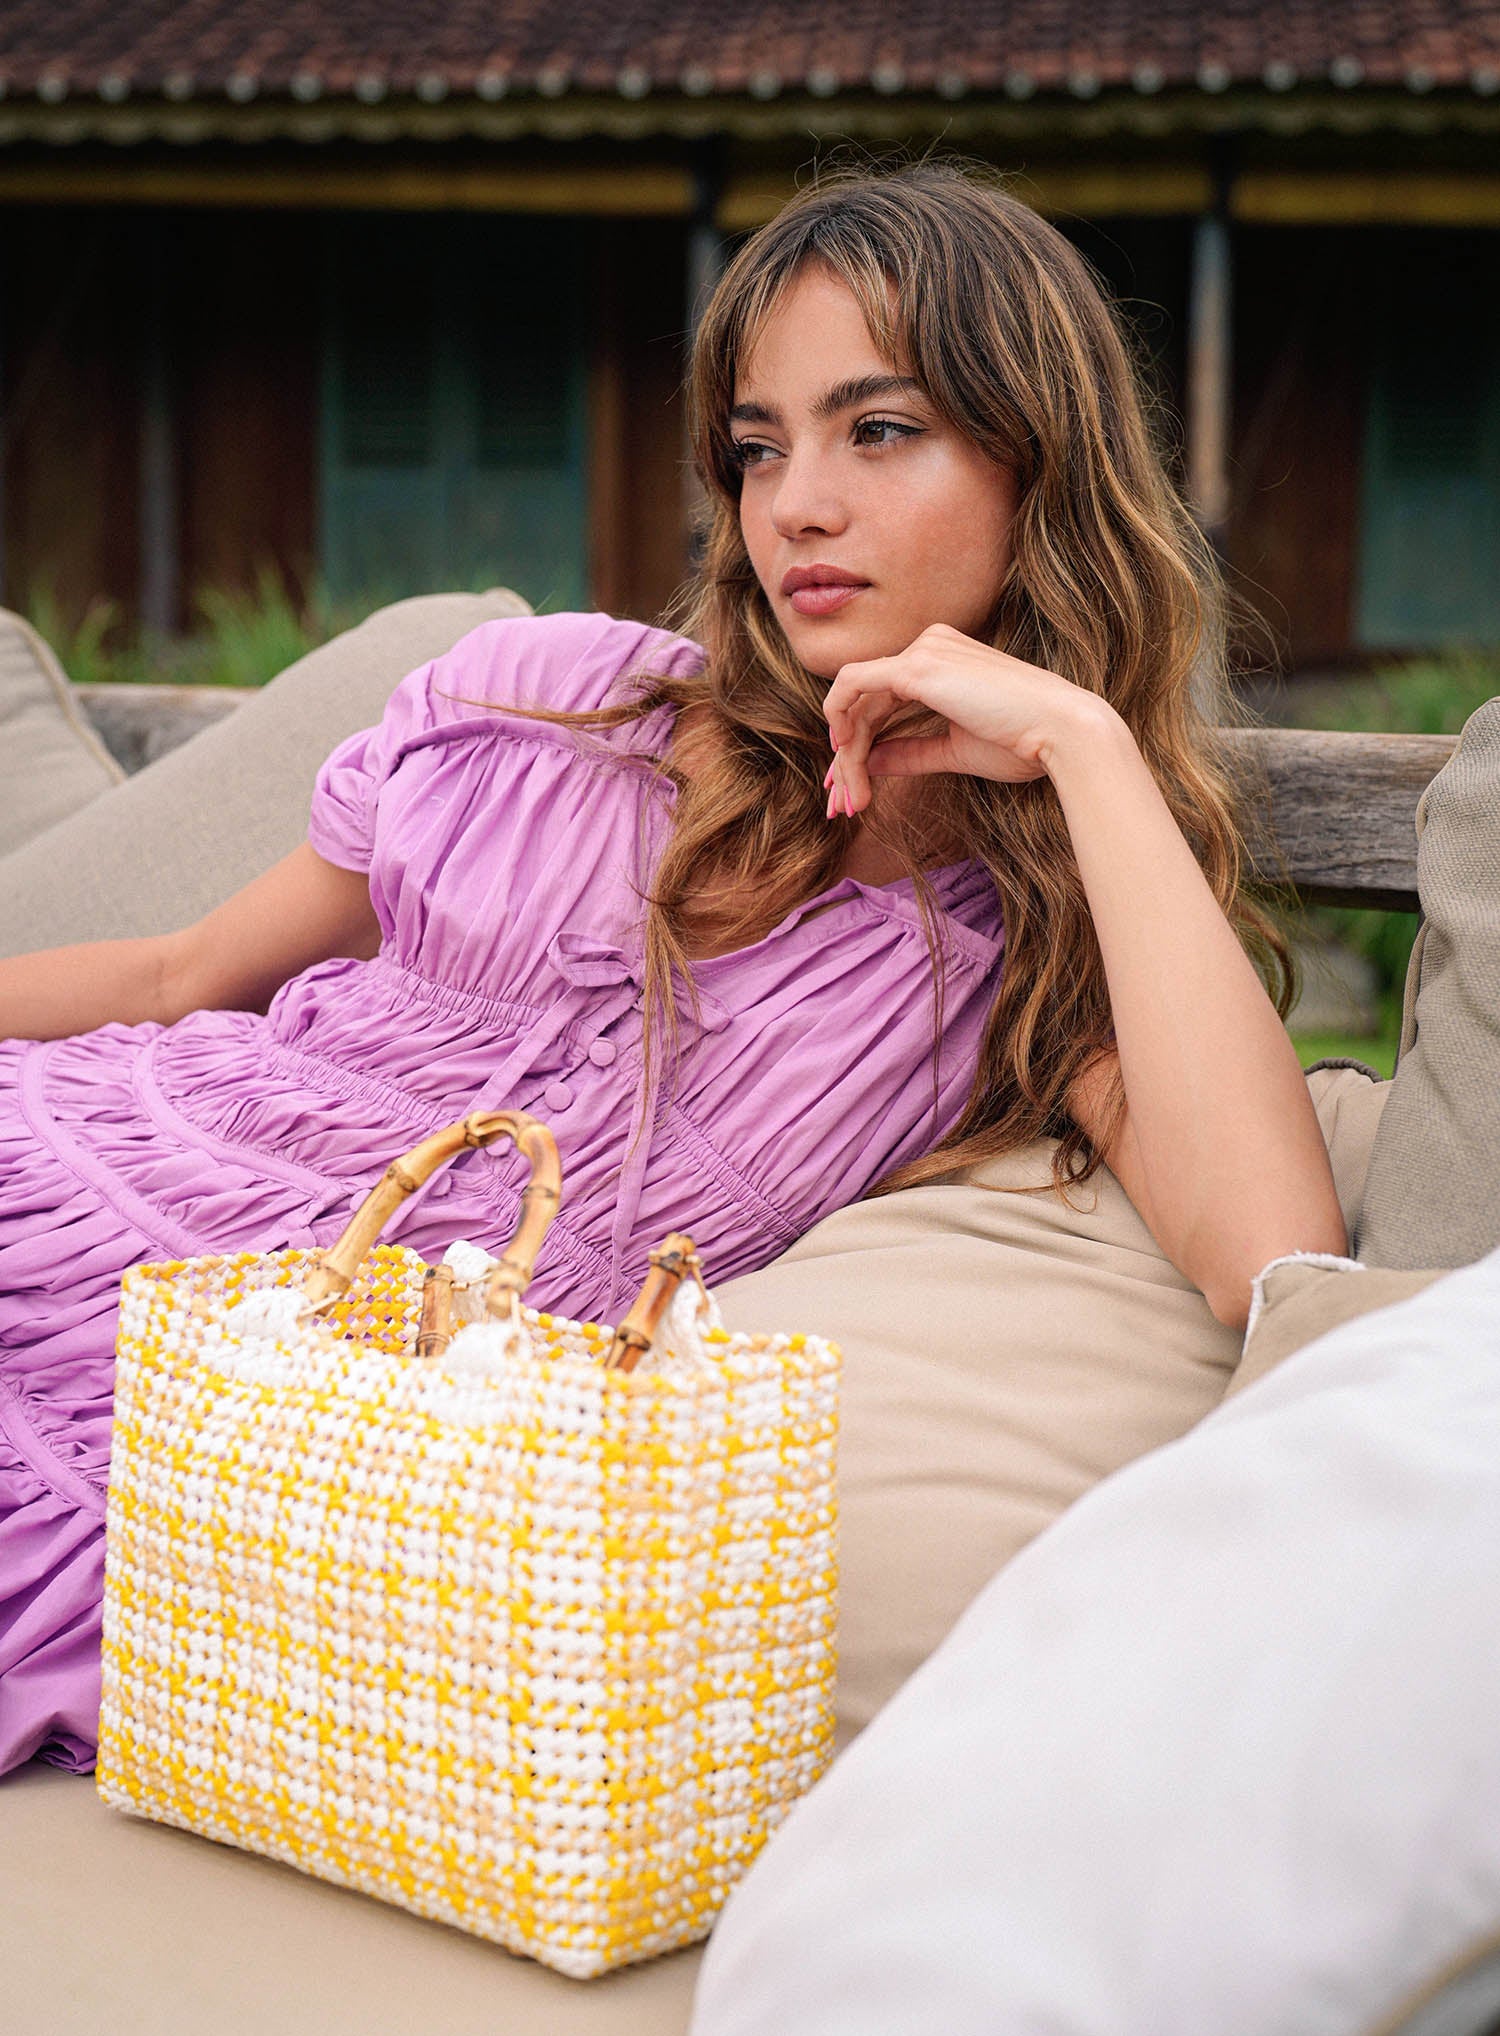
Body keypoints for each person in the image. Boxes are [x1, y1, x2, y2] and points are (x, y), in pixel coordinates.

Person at [0, 160, 1345, 1780]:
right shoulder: (556, 699)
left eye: (882, 428)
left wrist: (1085, 750)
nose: (796, 505)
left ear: (1038, 466)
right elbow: (174, 979)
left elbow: (1270, 1254)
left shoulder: (1026, 947)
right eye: (758, 446)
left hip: (275, 1412)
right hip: (74, 1183)